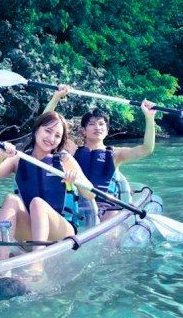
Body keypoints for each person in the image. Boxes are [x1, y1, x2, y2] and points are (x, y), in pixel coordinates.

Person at [0, 111, 94, 264]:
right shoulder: (19, 158)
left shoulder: (64, 159)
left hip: (61, 231)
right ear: (36, 130)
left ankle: (37, 263)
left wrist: (76, 180)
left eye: (57, 135)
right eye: (47, 131)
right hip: (32, 230)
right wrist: (0, 156)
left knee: (38, 203)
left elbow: (90, 195)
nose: (51, 138)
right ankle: (1, 262)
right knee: (10, 199)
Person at [44, 87, 156, 220]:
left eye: (101, 124)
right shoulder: (72, 150)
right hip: (77, 205)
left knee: (111, 214)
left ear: (107, 130)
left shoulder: (116, 154)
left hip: (107, 208)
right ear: (83, 131)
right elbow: (44, 125)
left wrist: (149, 118)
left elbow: (147, 148)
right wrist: (56, 97)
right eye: (91, 124)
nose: (97, 127)